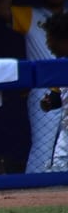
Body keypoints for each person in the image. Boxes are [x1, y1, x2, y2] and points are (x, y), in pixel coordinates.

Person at [0, 0, 68, 173]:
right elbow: (0, 9)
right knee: (43, 147)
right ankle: (33, 191)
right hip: (43, 88)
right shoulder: (32, 15)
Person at [39, 12, 68, 172]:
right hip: (67, 133)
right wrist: (49, 102)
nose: (48, 44)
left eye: (50, 38)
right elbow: (57, 96)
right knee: (59, 173)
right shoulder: (61, 66)